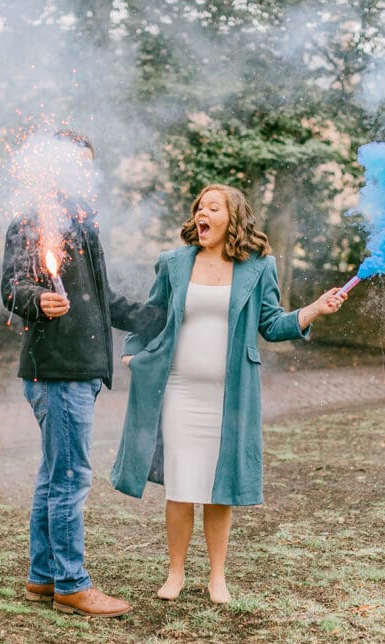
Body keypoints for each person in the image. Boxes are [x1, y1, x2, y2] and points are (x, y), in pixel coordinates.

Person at [110, 183, 345, 604]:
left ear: (231, 218)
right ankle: (176, 573)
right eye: (199, 206)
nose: (202, 213)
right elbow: (149, 316)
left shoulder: (258, 267)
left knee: (221, 488)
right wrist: (131, 356)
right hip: (179, 391)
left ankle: (218, 577)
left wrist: (313, 310)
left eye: (213, 207)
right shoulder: (174, 263)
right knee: (181, 486)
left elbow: (271, 324)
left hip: (230, 395)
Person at [0, 130, 164, 617]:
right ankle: (72, 583)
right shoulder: (32, 221)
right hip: (58, 369)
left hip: (82, 369)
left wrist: (158, 316)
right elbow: (12, 287)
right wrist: (37, 300)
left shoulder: (83, 224)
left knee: (55, 475)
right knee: (70, 477)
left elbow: (101, 299)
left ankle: (43, 577)